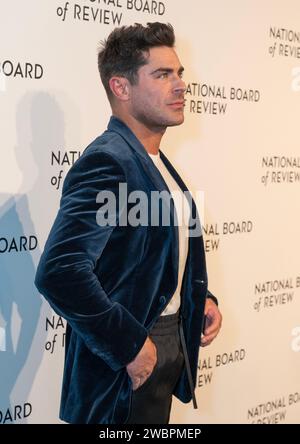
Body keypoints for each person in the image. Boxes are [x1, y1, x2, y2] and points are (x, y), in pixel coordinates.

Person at [35, 22, 222, 425]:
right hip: (119, 375)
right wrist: (130, 344)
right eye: (162, 74)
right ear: (121, 87)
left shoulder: (156, 163)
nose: (180, 85)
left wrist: (198, 299)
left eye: (180, 73)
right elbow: (60, 272)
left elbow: (145, 259)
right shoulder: (109, 162)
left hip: (164, 352)